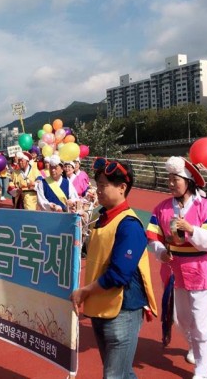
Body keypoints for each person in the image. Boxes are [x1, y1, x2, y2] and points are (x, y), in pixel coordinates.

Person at [146, 156, 207, 379]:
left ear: (188, 181)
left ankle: (202, 369)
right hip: (173, 272)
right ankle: (193, 346)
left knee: (201, 324)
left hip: (200, 271)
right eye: (169, 179)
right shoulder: (162, 208)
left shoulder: (205, 207)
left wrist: (192, 230)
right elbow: (152, 237)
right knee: (180, 319)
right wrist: (160, 251)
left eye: (175, 179)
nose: (171, 183)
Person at [70, 158, 157, 379]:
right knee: (121, 373)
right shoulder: (101, 218)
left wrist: (85, 291)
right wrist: (77, 224)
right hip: (101, 306)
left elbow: (119, 275)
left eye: (103, 185)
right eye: (97, 184)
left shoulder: (129, 225)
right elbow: (88, 252)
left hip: (123, 310)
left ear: (122, 188)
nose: (98, 190)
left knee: (114, 375)